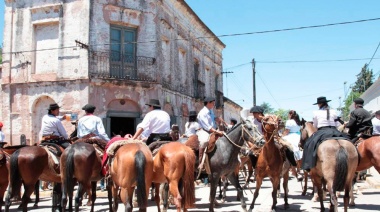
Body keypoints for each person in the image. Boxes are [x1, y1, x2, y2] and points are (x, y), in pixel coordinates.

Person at [302, 96, 350, 172]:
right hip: (334, 131)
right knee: (349, 140)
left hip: (322, 131)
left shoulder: (316, 112)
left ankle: (307, 165)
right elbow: (337, 124)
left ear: (320, 104)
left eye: (318, 104)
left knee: (308, 144)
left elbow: (315, 126)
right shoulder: (334, 111)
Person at [197, 97, 224, 169]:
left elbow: (213, 118)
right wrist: (217, 131)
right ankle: (201, 162)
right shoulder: (202, 113)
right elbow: (207, 127)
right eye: (213, 103)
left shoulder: (210, 111)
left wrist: (217, 119)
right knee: (204, 141)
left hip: (213, 130)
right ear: (208, 103)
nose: (214, 104)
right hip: (204, 131)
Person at [282, 110, 303, 181]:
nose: (288, 115)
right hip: (298, 136)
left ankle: (292, 167)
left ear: (290, 114)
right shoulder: (298, 121)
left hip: (291, 136)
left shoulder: (289, 122)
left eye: (288, 114)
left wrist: (281, 136)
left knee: (284, 146)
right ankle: (298, 169)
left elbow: (287, 131)